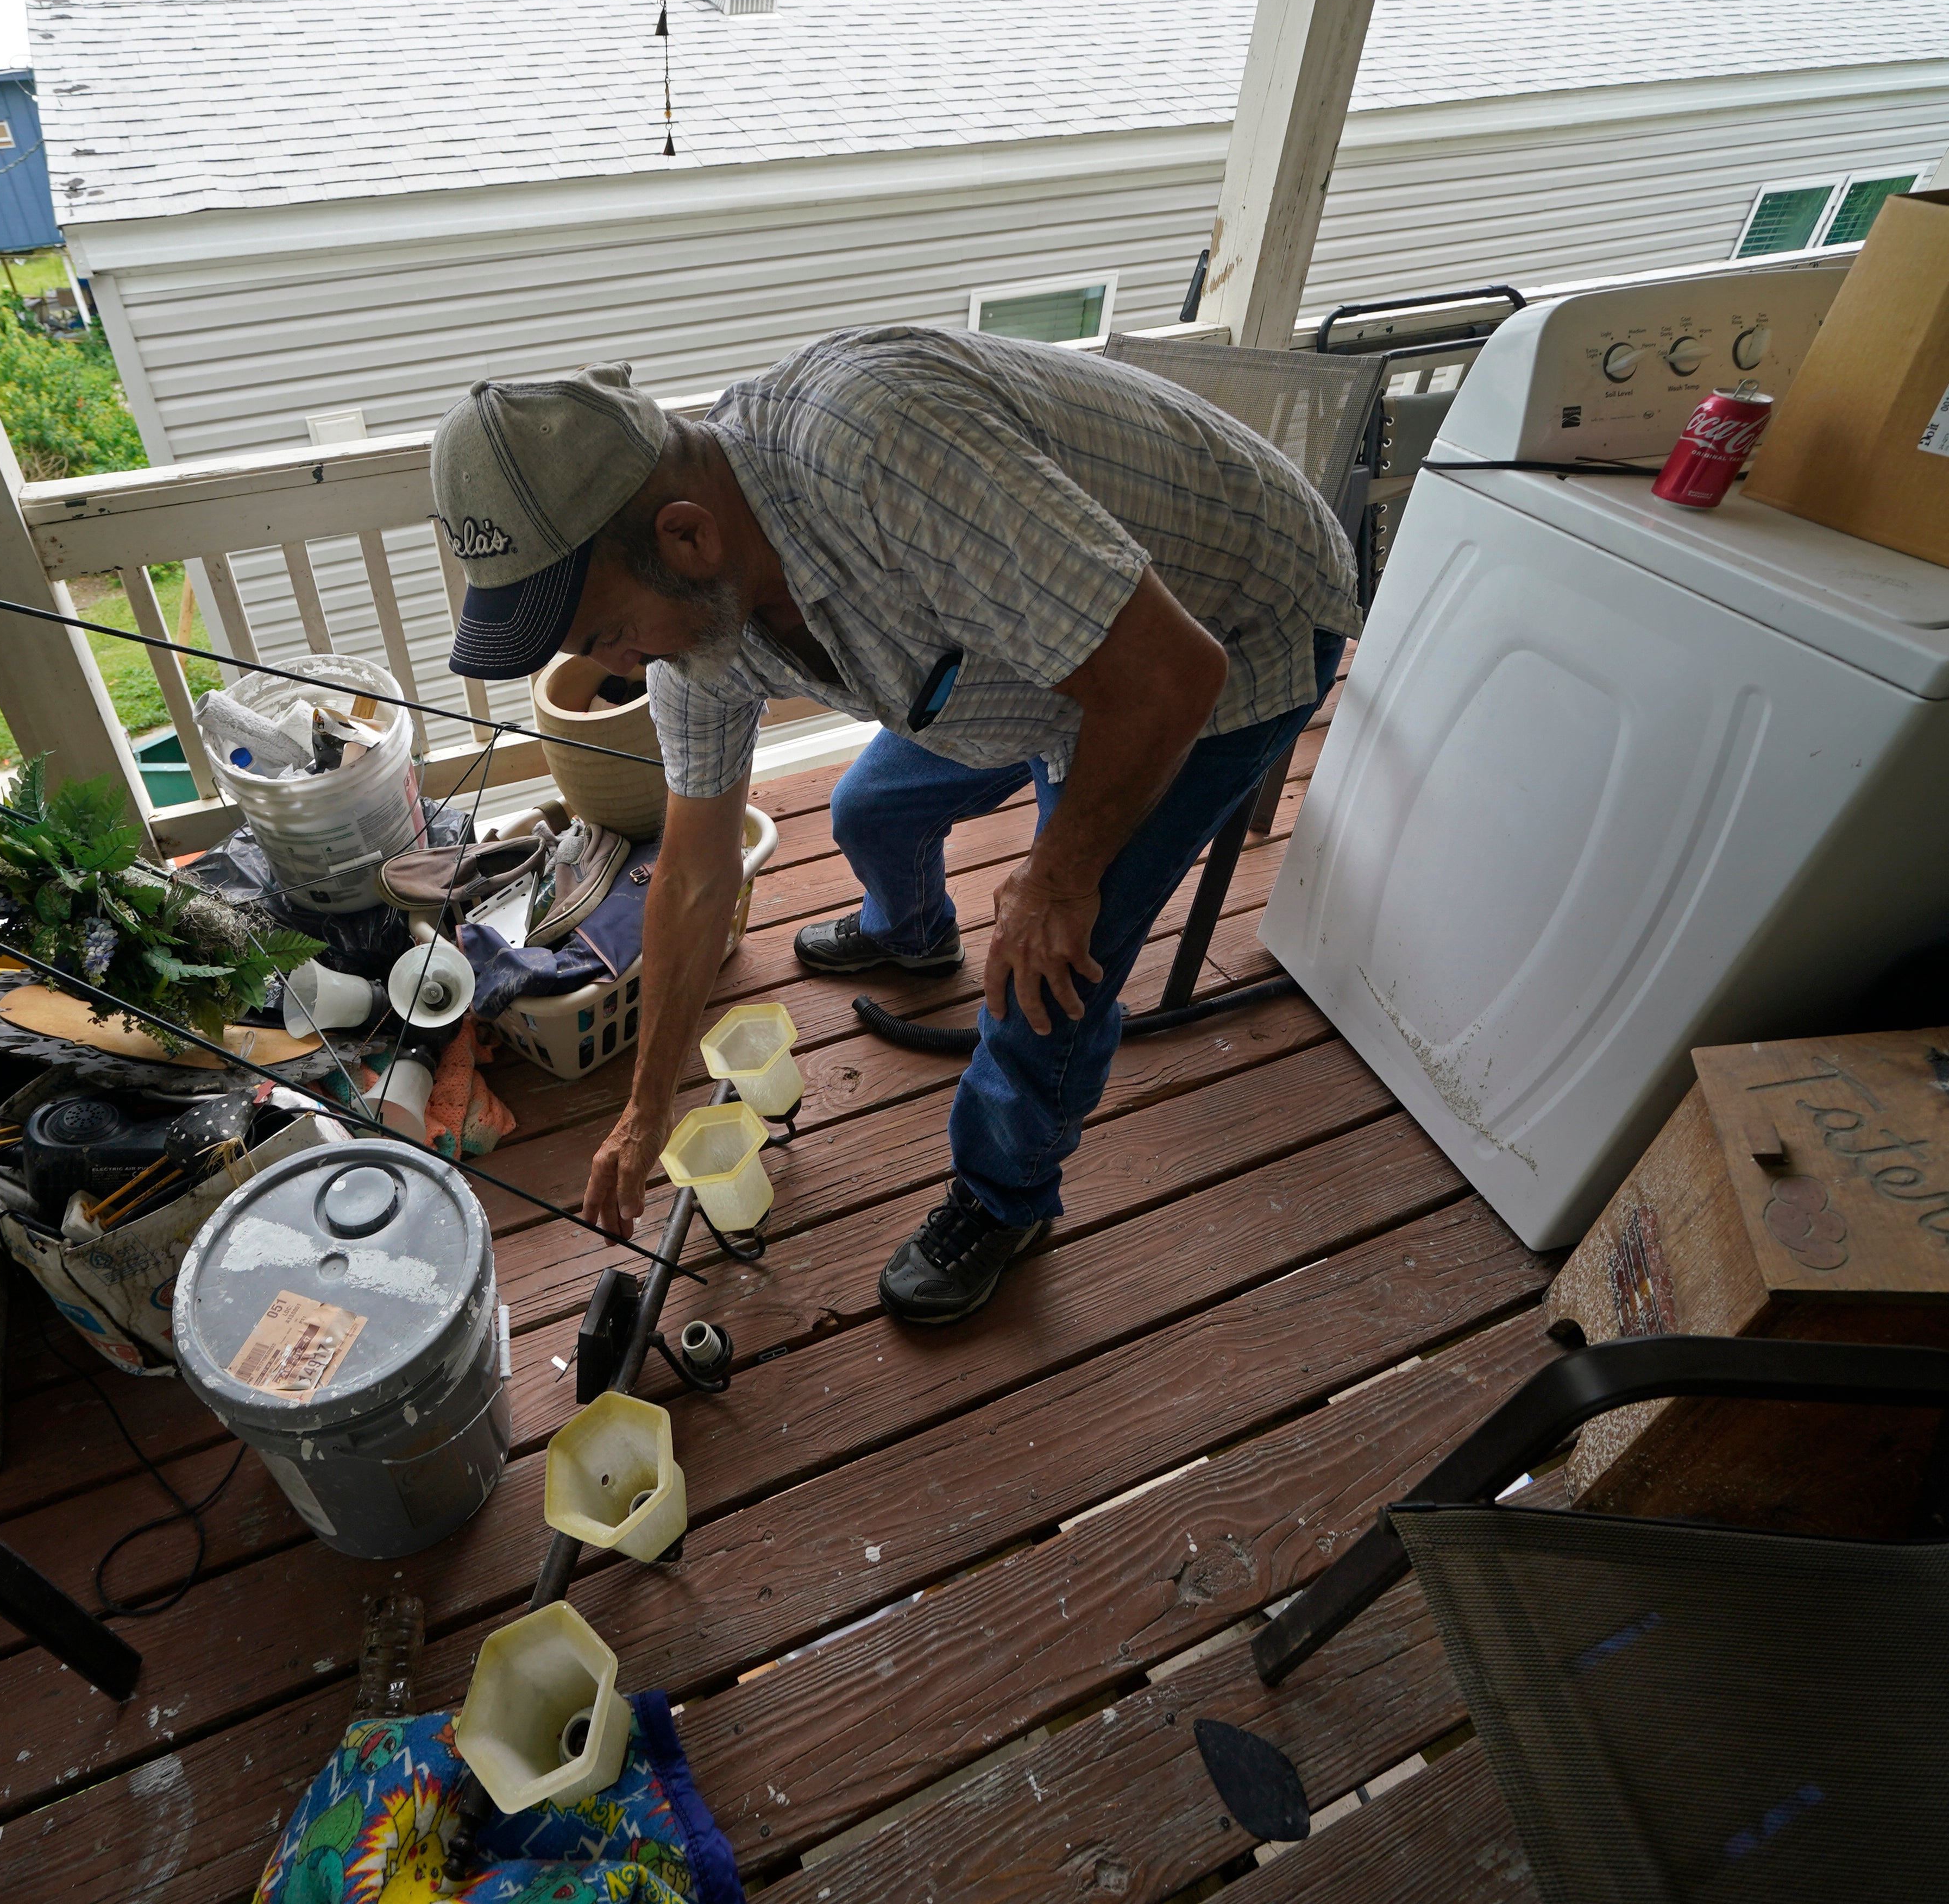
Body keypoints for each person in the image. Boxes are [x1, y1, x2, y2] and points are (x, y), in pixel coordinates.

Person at [432, 328, 1358, 1326]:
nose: (620, 664)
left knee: (1042, 971)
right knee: (867, 809)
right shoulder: (696, 620)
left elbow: (1168, 673)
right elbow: (695, 876)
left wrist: (1055, 877)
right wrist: (646, 1104)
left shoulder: (884, 454)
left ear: (689, 538)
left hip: (1218, 634)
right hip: (1031, 645)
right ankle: (915, 935)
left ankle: (1006, 1197)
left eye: (608, 635)